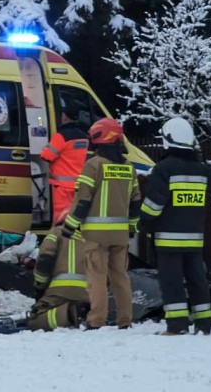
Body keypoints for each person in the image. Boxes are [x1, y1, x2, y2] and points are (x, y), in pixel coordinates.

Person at [138, 117, 211, 335]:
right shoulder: (201, 169)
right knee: (197, 281)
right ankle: (204, 323)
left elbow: (154, 205)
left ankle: (177, 325)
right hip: (194, 239)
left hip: (168, 239)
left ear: (169, 140)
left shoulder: (164, 168)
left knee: (172, 284)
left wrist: (142, 222)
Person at [62, 118, 139, 330]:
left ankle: (96, 320)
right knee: (120, 277)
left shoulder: (93, 165)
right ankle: (125, 320)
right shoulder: (129, 168)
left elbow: (82, 200)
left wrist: (70, 226)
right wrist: (132, 229)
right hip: (121, 234)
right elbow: (135, 203)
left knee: (96, 277)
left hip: (96, 235)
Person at [24, 211, 88, 331]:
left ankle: (72, 312)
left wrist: (39, 287)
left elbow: (45, 260)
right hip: (90, 293)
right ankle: (85, 311)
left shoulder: (56, 232)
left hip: (60, 291)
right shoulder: (93, 237)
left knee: (35, 319)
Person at [41, 105, 91, 224]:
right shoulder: (84, 137)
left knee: (61, 218)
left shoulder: (61, 136)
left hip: (62, 187)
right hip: (79, 184)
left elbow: (46, 156)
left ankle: (61, 240)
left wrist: (45, 148)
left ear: (65, 117)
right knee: (74, 216)